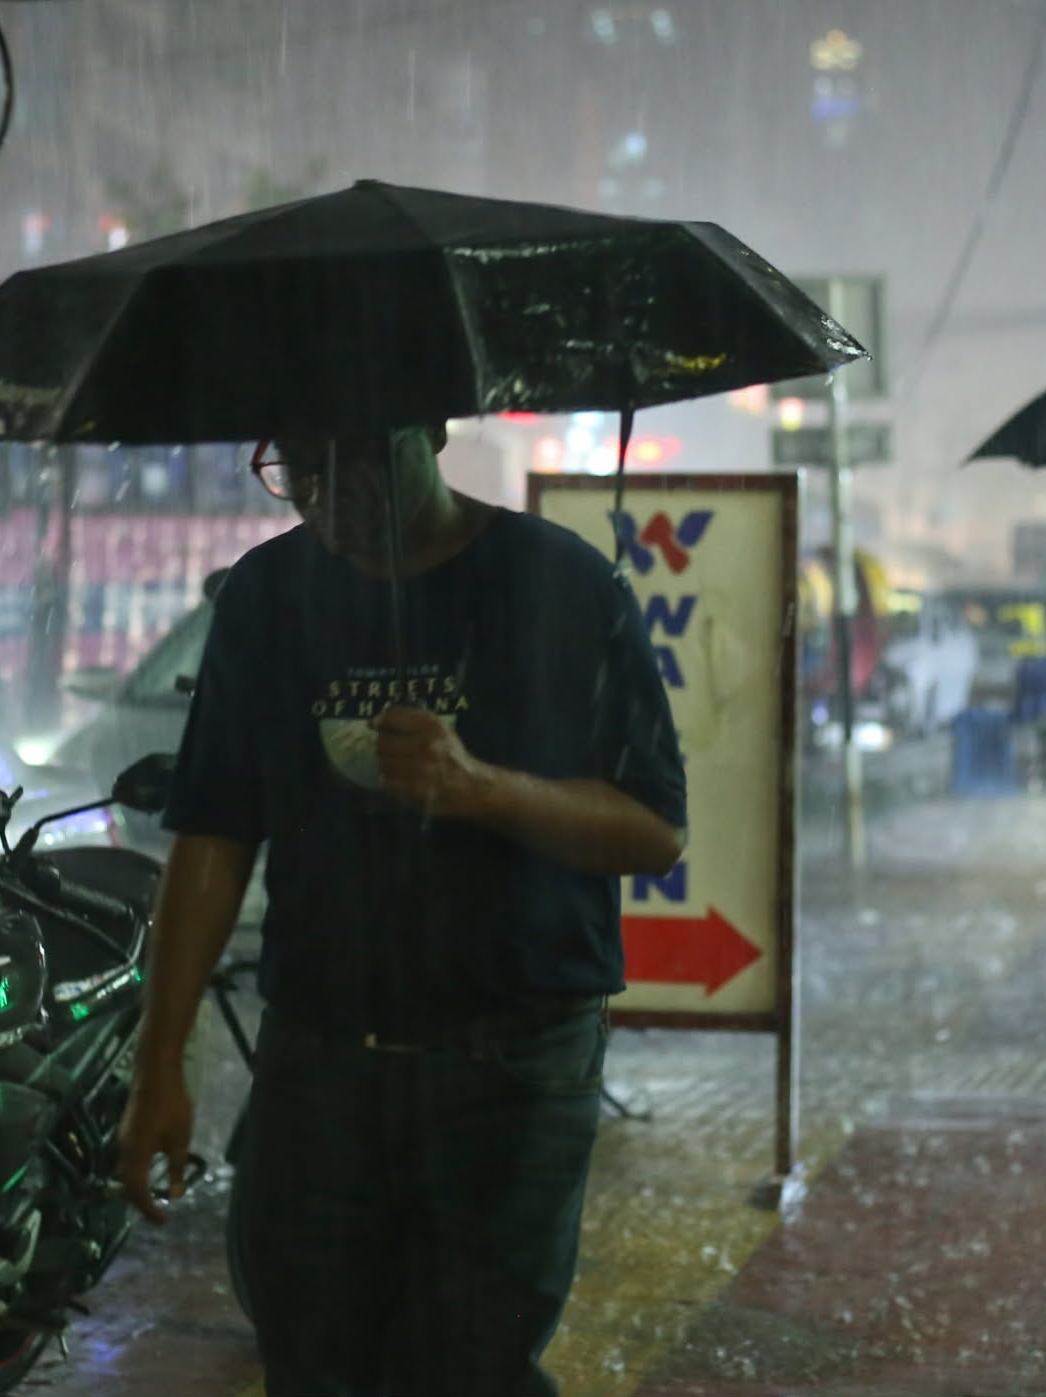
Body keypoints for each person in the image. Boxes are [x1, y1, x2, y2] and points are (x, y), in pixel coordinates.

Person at [115, 423, 688, 1396]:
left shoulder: (560, 583)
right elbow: (212, 832)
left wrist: (483, 789)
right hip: (318, 1059)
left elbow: (650, 832)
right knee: (308, 1355)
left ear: (431, 429)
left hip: (511, 1061)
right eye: (297, 467)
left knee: (472, 1366)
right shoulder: (266, 596)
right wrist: (159, 1060)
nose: (324, 494)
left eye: (356, 459)